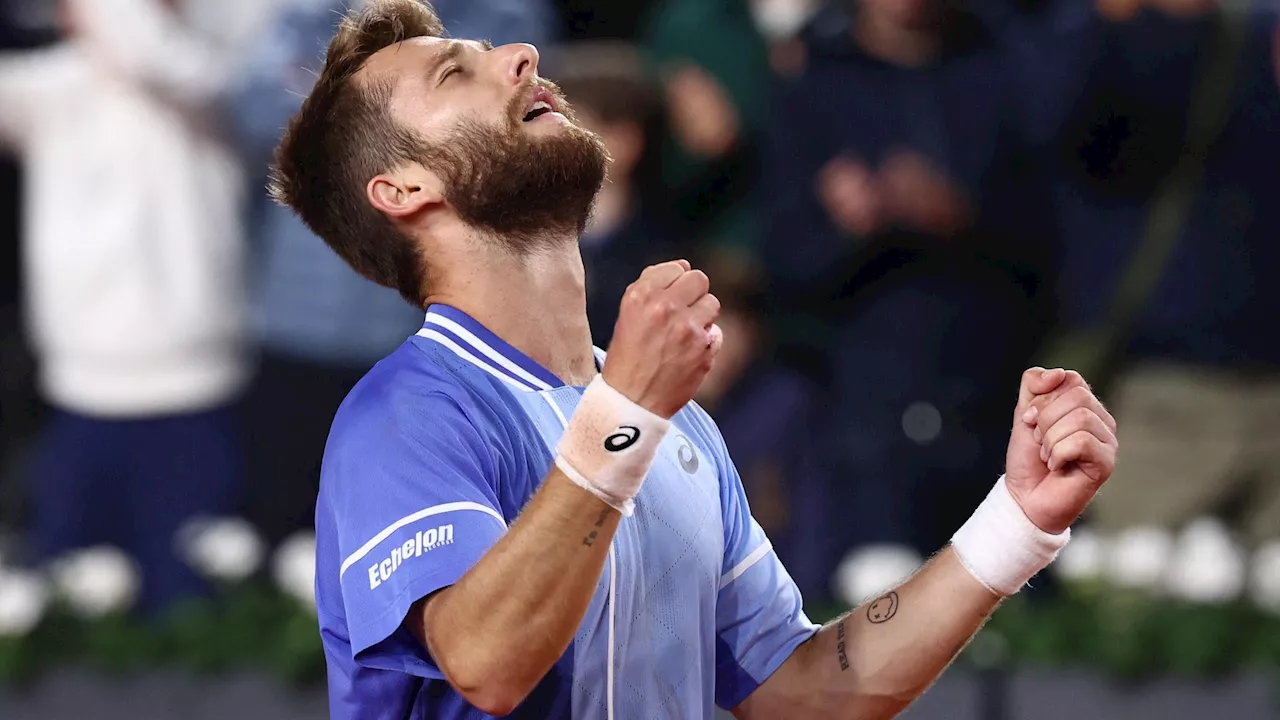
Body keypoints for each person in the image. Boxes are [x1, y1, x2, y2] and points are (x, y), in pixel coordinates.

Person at [272, 1, 1118, 717]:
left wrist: (1020, 519)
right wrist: (627, 415)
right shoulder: (407, 413)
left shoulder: (675, 429)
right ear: (405, 189)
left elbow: (807, 690)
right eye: (458, 72)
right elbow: (485, 660)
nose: (523, 54)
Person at [0, 0, 248, 614]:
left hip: (197, 392)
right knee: (68, 617)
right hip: (78, 392)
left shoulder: (216, 73)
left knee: (196, 623)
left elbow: (172, 64)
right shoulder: (56, 85)